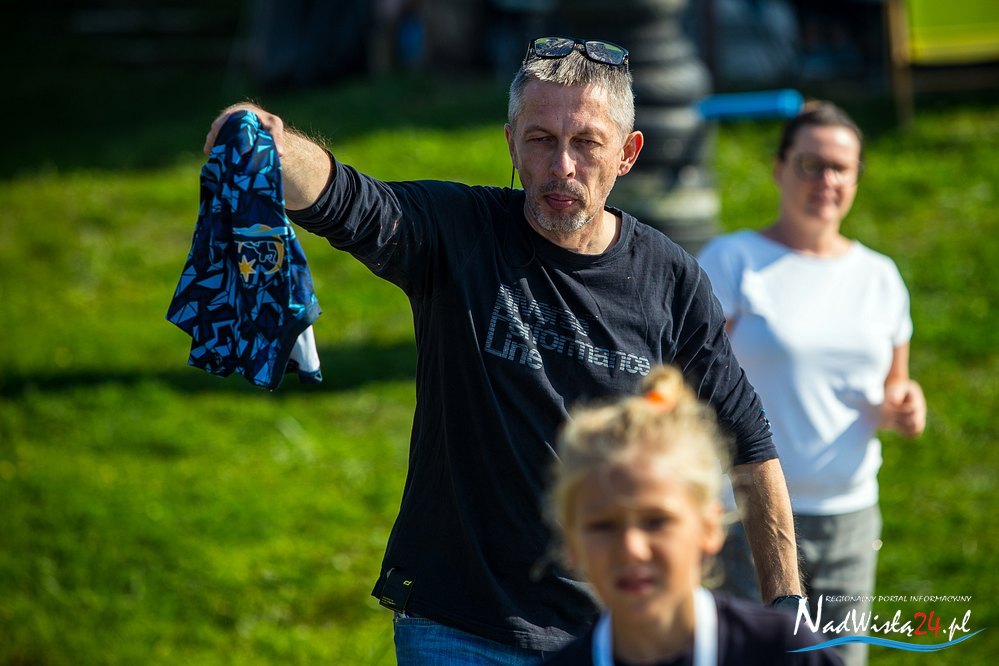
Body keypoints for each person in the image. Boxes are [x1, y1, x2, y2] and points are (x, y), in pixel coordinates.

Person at [203, 36, 803, 664]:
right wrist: (267, 140)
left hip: (610, 632)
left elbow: (749, 447)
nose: (562, 165)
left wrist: (787, 607)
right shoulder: (461, 231)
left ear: (628, 153)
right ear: (512, 144)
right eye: (541, 139)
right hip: (457, 626)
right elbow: (347, 199)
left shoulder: (670, 279)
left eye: (586, 143)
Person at [697, 101, 927, 666]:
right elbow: (690, 380)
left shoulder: (880, 277)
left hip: (850, 516)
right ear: (779, 169)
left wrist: (905, 405)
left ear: (856, 178)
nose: (826, 180)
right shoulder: (733, 261)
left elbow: (895, 386)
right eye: (810, 164)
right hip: (747, 515)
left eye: (840, 168)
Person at [543, 365, 842, 665]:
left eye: (656, 521)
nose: (631, 548)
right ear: (571, 541)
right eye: (603, 526)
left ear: (709, 527)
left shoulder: (783, 652)